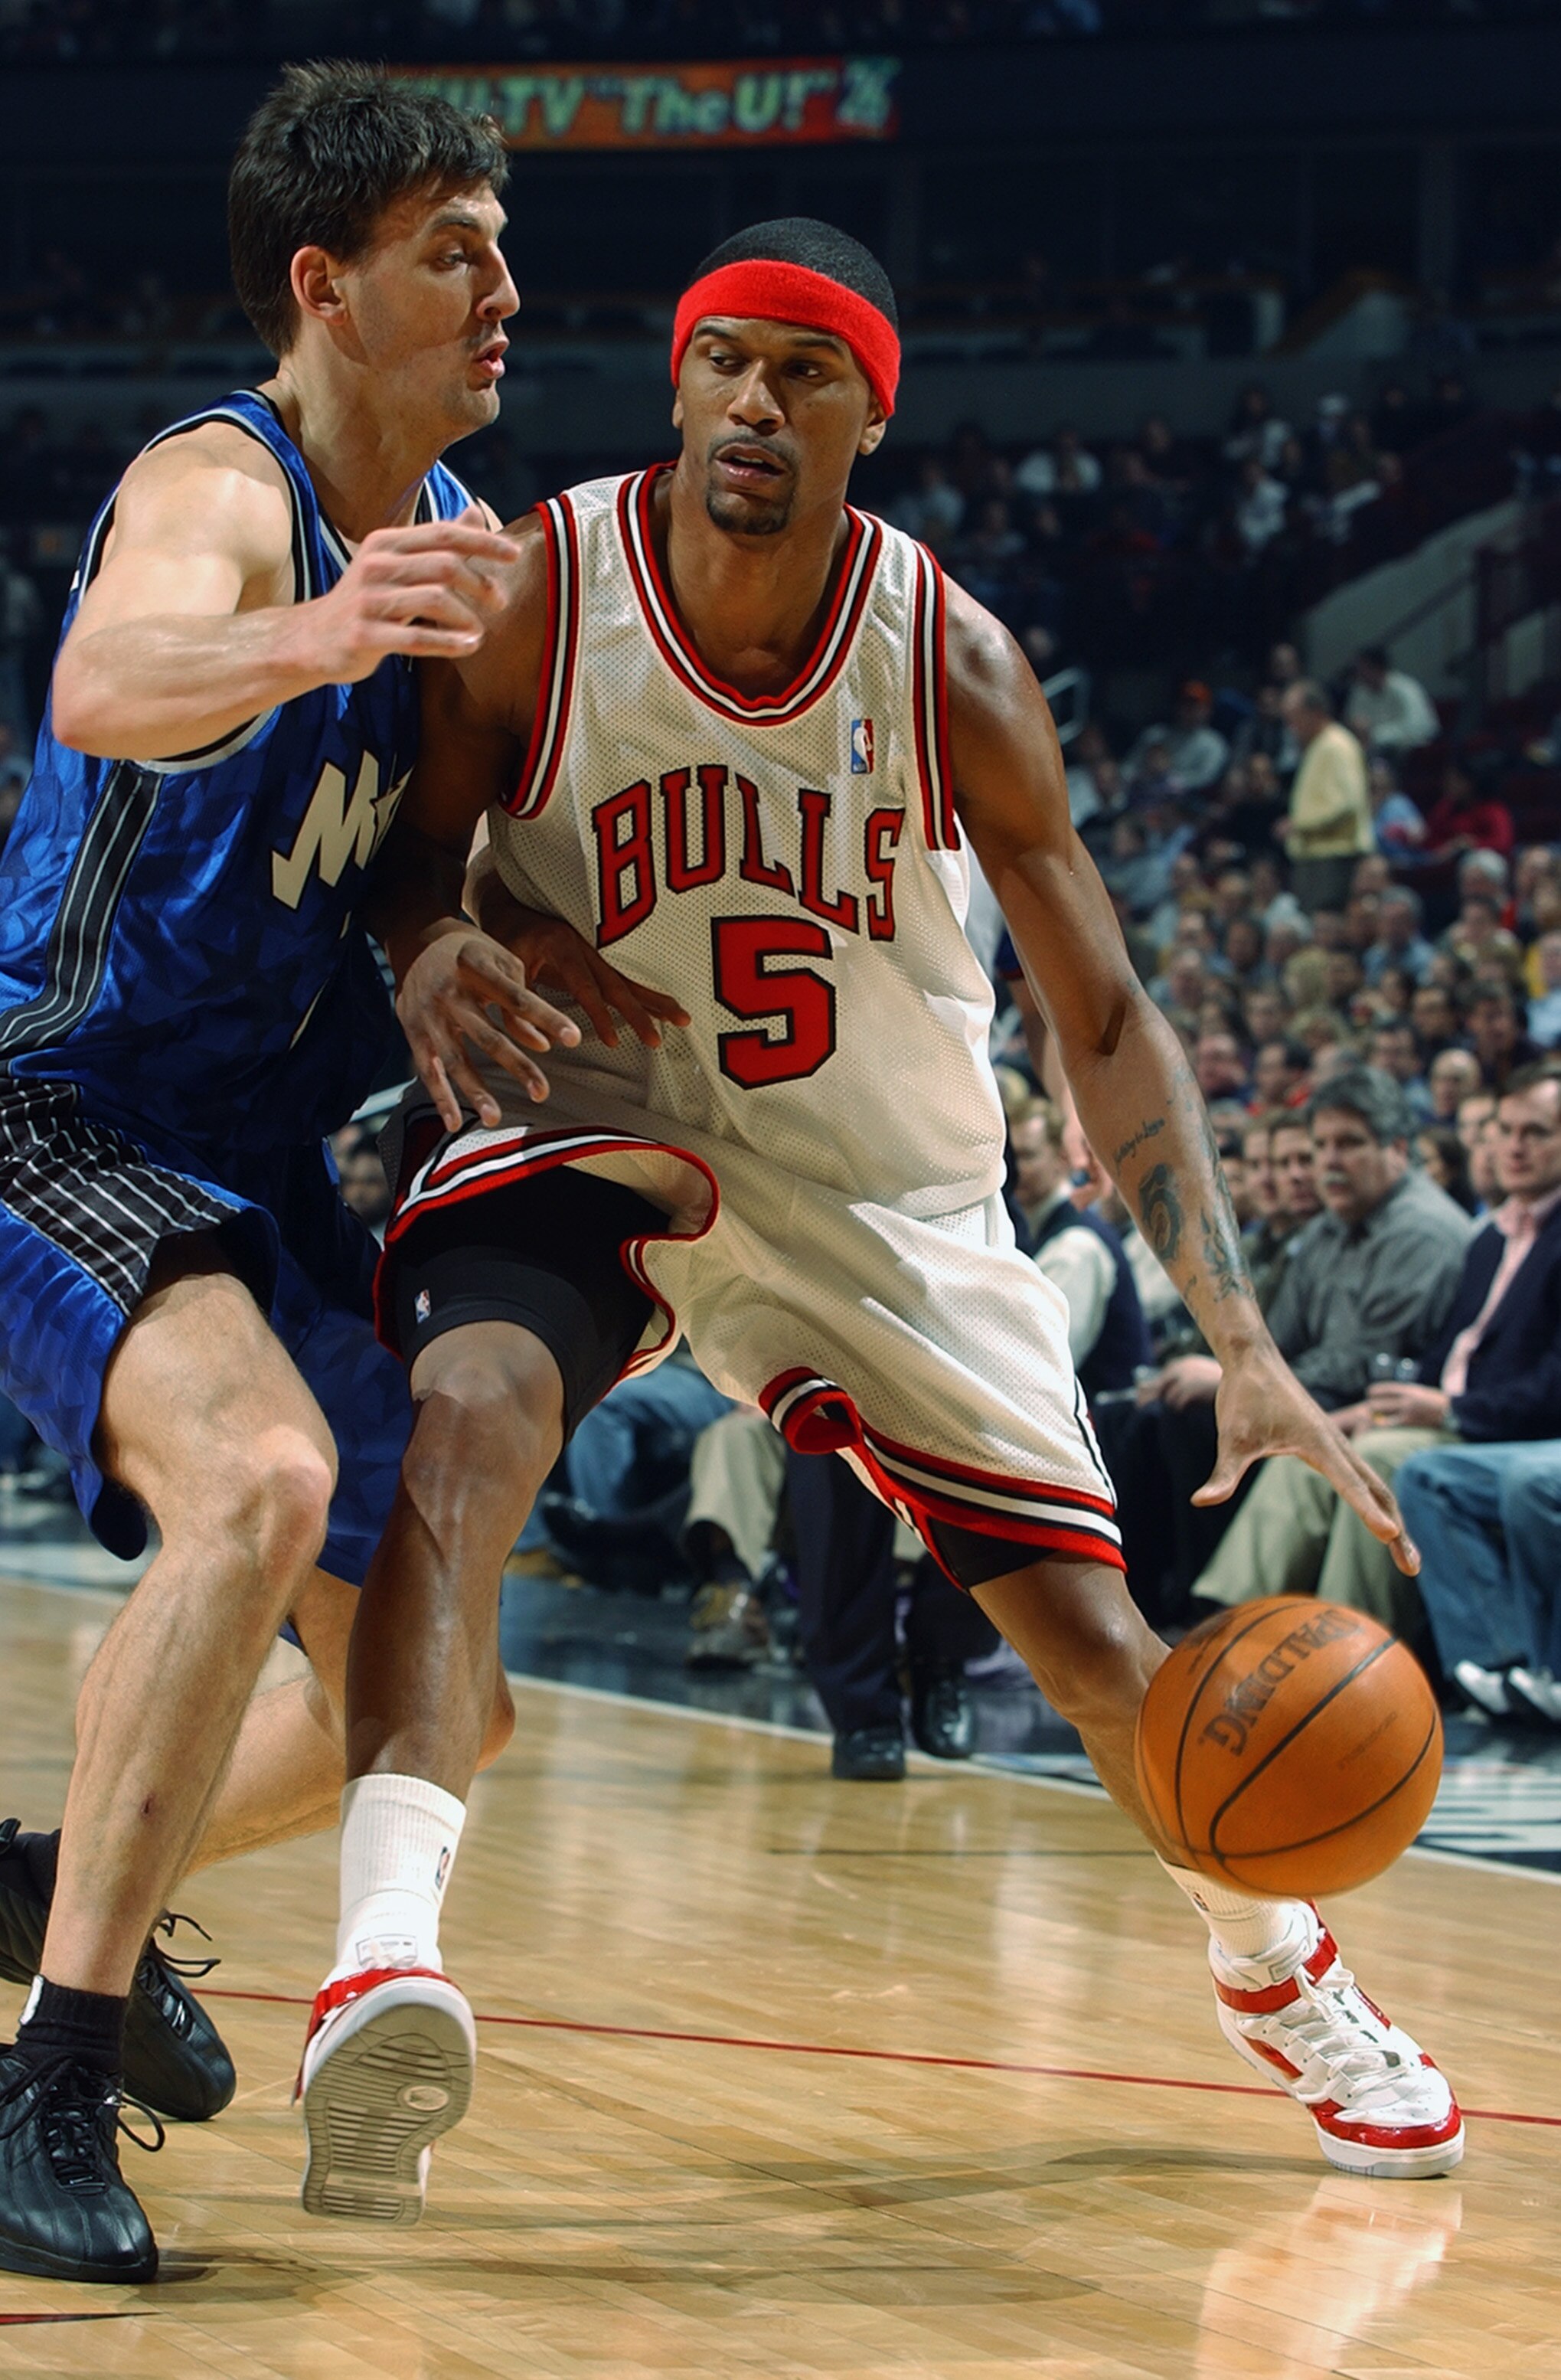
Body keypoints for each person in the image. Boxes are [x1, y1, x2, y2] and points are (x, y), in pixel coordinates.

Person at [367, 217, 1461, 2210]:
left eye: (802, 372)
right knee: (474, 1413)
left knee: (1098, 1653)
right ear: (675, 385)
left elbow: (1106, 1013)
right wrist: (453, 933)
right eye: (722, 361)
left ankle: (1269, 1958)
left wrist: (1238, 1350)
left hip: (881, 1180)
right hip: (609, 1105)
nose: (752, 402)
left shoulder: (945, 661)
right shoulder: (540, 594)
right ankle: (385, 1952)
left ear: (870, 413)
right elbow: (412, 862)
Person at [0, 65, 570, 2285]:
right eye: (458, 247)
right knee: (245, 1476)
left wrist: (435, 937)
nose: (507, 286)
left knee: (439, 1676)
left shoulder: (463, 533)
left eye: (505, 245)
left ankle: (65, 1879)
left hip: (241, 1154)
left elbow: (419, 859)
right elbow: (105, 673)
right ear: (325, 284)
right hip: (55, 1104)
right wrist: (322, 636)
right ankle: (50, 2067)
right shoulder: (222, 489)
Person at [1192, 1070, 1561, 1646]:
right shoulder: (1493, 1239)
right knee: (1310, 1452)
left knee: (1378, 1458)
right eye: (1504, 1131)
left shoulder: (1439, 1229)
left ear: (1394, 1150)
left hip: (1500, 1430)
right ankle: (1231, 1635)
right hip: (1450, 1414)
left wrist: (1444, 1410)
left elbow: (1547, 1388)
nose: (1513, 1147)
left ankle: (1347, 1649)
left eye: (1535, 1132)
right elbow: (1448, 1354)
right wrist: (1389, 1407)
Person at [1279, 682, 1373, 916]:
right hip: (1317, 856)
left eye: (1295, 718)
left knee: (1325, 925)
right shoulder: (1318, 747)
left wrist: (1299, 824)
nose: (1291, 727)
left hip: (1332, 857)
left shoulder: (1336, 746)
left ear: (1316, 713)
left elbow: (1346, 804)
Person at [1343, 646, 1439, 756]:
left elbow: (1416, 729)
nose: (1358, 674)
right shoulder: (1359, 691)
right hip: (1375, 749)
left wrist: (1372, 735)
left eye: (1361, 669)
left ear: (1376, 668)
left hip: (1413, 750)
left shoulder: (1405, 689)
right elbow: (1353, 722)